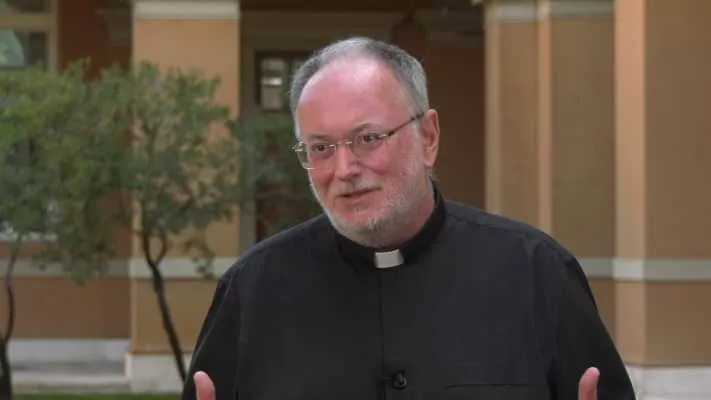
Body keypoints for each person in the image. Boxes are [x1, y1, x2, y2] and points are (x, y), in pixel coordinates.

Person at [181, 36, 636, 400]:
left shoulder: (538, 274)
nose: (344, 169)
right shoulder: (252, 290)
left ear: (428, 136)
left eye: (368, 138)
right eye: (320, 148)